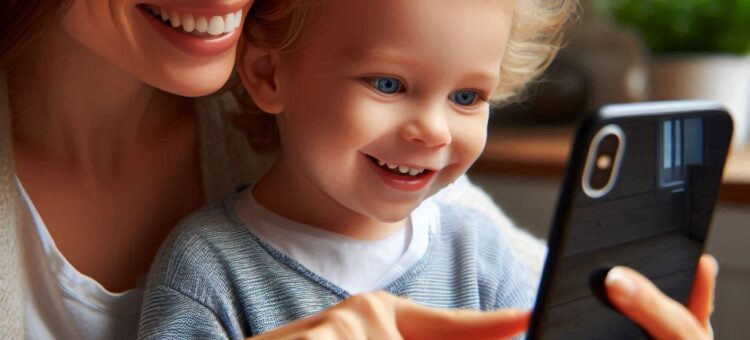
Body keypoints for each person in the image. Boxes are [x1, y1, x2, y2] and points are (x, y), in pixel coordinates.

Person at [0, 0, 718, 339]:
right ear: (268, 76)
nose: (433, 130)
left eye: (468, 96)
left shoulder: (458, 229)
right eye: (387, 85)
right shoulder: (208, 263)